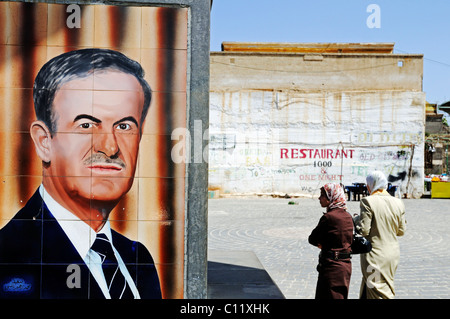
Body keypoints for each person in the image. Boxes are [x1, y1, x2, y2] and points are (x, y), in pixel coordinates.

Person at [0, 48, 161, 299]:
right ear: (44, 141)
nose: (110, 147)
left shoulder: (137, 257)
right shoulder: (10, 259)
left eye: (124, 126)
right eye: (86, 125)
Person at [358, 171, 406, 299]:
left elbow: (363, 230)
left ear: (370, 185)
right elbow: (401, 231)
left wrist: (356, 219)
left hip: (375, 257)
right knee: (375, 287)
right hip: (392, 255)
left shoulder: (368, 201)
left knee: (378, 292)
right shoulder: (398, 202)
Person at [308, 183, 354, 299]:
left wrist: (322, 244)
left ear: (331, 197)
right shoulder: (348, 216)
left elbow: (313, 238)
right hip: (345, 266)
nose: (319, 198)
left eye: (322, 195)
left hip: (331, 267)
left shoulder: (329, 217)